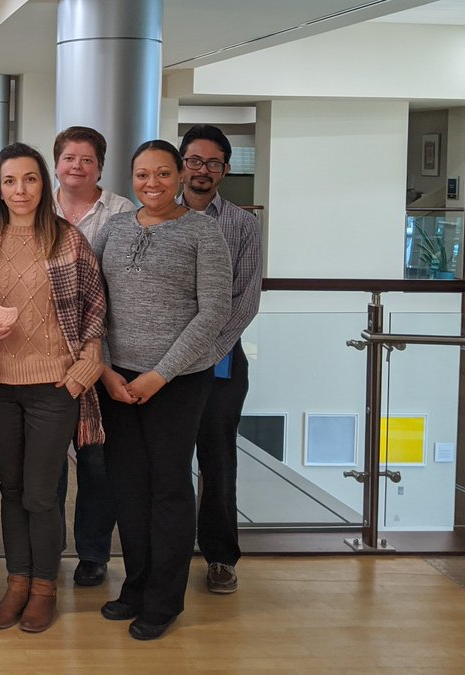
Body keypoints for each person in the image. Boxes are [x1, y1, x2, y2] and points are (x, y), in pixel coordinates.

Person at [93, 140, 232, 641]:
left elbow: (213, 311)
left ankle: (164, 598)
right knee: (127, 487)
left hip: (177, 382)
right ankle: (135, 585)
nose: (152, 184)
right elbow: (92, 303)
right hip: (116, 380)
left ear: (179, 176)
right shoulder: (114, 229)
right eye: (142, 175)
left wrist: (161, 373)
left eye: (163, 174)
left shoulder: (203, 232)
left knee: (169, 488)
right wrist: (106, 370)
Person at [0, 143, 107, 633]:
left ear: (43, 184)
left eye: (29, 179)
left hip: (55, 386)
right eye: (10, 181)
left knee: (41, 493)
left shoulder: (69, 241)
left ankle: (44, 587)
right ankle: (16, 582)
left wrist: (80, 374)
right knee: (10, 489)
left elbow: (96, 311)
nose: (20, 190)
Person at [177, 124, 263, 595]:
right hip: (163, 365)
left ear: (226, 170)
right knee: (167, 462)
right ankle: (165, 550)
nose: (202, 170)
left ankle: (220, 557)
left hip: (220, 364)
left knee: (217, 461)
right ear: (181, 164)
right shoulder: (159, 217)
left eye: (212, 163)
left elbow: (245, 301)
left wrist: (201, 353)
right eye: (193, 160)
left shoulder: (243, 225)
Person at [51, 126, 137, 587]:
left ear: (100, 167)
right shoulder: (37, 210)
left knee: (96, 460)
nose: (77, 167)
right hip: (48, 356)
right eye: (69, 158)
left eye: (86, 159)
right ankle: (48, 551)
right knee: (47, 462)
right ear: (56, 163)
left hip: (103, 353)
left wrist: (98, 361)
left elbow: (117, 293)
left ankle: (93, 553)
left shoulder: (123, 214)